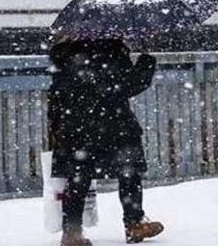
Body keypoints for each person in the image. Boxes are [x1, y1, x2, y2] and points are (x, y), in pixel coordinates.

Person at [48, 39, 164, 246]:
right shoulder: (111, 51)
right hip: (114, 124)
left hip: (75, 127)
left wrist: (58, 127)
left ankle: (72, 232)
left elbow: (56, 94)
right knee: (128, 173)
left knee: (77, 179)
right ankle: (134, 222)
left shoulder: (64, 56)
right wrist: (146, 58)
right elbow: (131, 84)